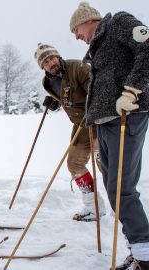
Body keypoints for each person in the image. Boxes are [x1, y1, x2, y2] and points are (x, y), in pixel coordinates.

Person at [70, 2, 149, 270]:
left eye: (76, 29)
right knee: (114, 190)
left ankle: (147, 260)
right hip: (106, 123)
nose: (77, 36)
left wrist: (132, 90)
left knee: (122, 190)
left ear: (89, 21)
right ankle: (136, 250)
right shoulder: (97, 47)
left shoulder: (118, 22)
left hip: (127, 117)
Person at [34, 43, 106, 221]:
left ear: (58, 56)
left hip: (99, 123)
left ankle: (123, 206)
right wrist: (55, 103)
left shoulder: (77, 67)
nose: (51, 63)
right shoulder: (48, 81)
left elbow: (97, 88)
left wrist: (93, 104)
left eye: (52, 58)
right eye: (46, 62)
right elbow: (65, 97)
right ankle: (93, 207)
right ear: (43, 67)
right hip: (80, 128)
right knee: (74, 164)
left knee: (105, 166)